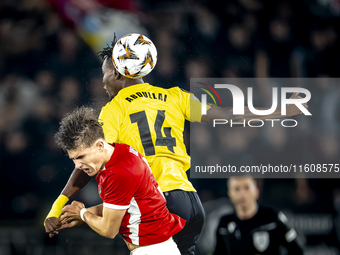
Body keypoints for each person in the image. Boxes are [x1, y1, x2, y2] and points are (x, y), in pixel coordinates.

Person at [44, 33, 306, 255]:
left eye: (105, 74)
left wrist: (59, 205)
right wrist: (281, 109)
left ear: (117, 71)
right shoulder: (174, 97)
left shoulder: (113, 110)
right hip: (190, 201)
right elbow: (230, 115)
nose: (103, 82)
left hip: (157, 206)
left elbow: (92, 159)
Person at [54, 106, 185, 255]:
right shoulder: (120, 153)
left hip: (154, 250)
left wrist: (83, 213)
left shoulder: (119, 173)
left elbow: (108, 230)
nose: (77, 165)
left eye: (81, 157)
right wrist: (79, 214)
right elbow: (120, 205)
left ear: (100, 145)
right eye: (74, 159)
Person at [214, 175, 303, 255]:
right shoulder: (224, 225)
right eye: (237, 189)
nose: (242, 194)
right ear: (230, 194)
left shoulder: (271, 218)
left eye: (246, 188)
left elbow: (296, 251)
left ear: (256, 191)